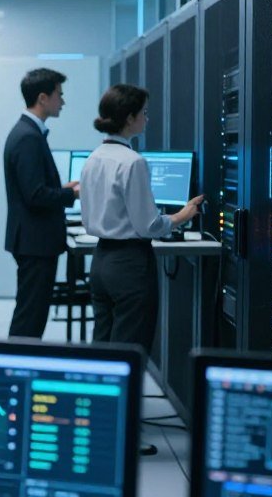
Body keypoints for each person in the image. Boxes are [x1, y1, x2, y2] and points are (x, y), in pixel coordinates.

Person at [79, 84, 203, 354]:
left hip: (100, 262)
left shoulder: (92, 159)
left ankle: (106, 397)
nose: (147, 119)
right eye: (144, 113)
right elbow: (149, 226)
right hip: (130, 265)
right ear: (129, 118)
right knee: (130, 350)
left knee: (103, 346)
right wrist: (183, 215)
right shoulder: (132, 162)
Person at [4, 68, 80, 339]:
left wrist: (60, 190)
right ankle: (17, 368)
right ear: (42, 98)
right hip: (35, 242)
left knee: (31, 312)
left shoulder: (28, 133)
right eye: (60, 94)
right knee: (30, 316)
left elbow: (32, 188)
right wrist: (72, 195)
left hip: (33, 240)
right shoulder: (28, 137)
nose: (63, 101)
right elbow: (35, 196)